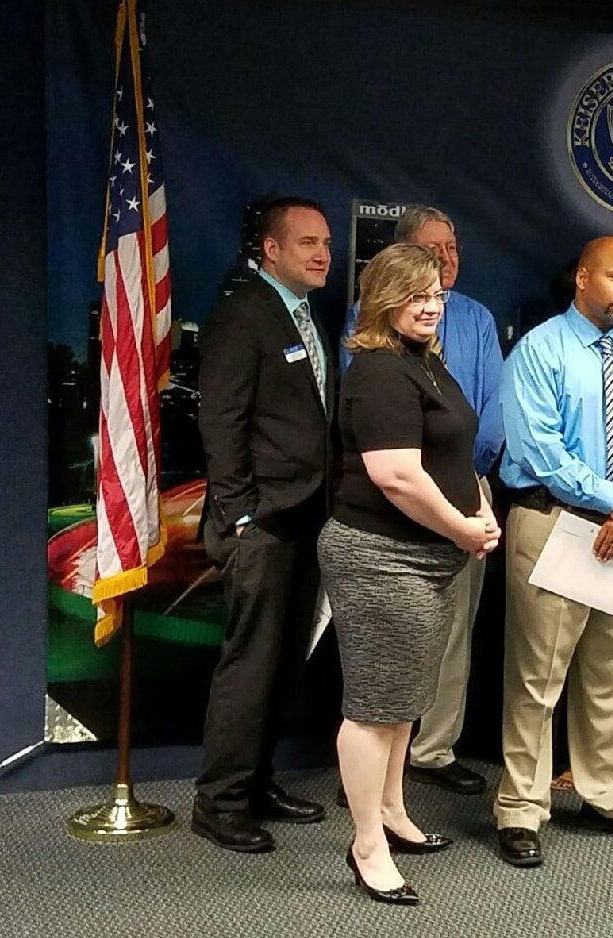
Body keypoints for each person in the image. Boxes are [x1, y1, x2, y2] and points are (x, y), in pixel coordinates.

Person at [496, 236, 613, 868]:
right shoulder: (539, 350)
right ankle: (521, 808)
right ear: (582, 277)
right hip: (556, 524)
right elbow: (541, 448)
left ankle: (604, 793)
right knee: (537, 679)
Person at [319, 243, 499, 905]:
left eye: (435, 295)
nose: (429, 306)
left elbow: (454, 452)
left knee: (401, 705)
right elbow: (395, 475)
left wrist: (478, 511)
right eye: (414, 295)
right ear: (383, 299)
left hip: (428, 560)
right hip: (379, 558)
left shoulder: (425, 361)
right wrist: (461, 529)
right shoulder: (377, 373)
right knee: (372, 710)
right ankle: (366, 843)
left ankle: (393, 811)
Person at [341, 205, 505, 796]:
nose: (447, 265)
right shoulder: (376, 349)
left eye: (453, 251)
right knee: (390, 658)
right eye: (434, 254)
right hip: (395, 514)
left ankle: (431, 751)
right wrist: (455, 515)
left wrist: (473, 501)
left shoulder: (474, 321)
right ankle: (375, 782)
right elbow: (377, 444)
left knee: (450, 631)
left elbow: (489, 414)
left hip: (466, 489)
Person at [193, 196, 335, 853]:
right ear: (271, 250)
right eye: (307, 242)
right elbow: (220, 421)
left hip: (309, 517)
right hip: (264, 522)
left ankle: (256, 785)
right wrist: (240, 512)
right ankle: (218, 803)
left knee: (281, 664)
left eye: (326, 242)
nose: (322, 253)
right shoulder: (241, 312)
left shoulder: (307, 314)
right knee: (250, 665)